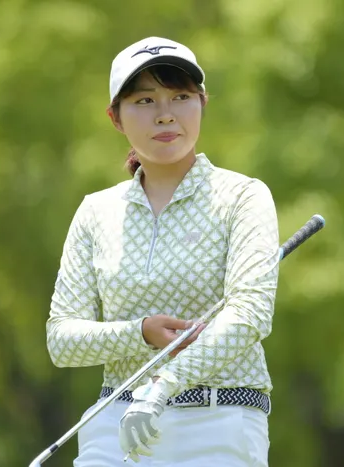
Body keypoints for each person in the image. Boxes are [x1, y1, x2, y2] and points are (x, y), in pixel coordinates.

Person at [46, 36, 280, 466]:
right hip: (116, 424)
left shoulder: (242, 197)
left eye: (181, 97)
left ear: (202, 102)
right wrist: (139, 332)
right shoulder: (97, 211)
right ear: (116, 117)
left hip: (219, 419)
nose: (165, 114)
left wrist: (164, 385)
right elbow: (62, 340)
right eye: (145, 101)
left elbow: (250, 315)